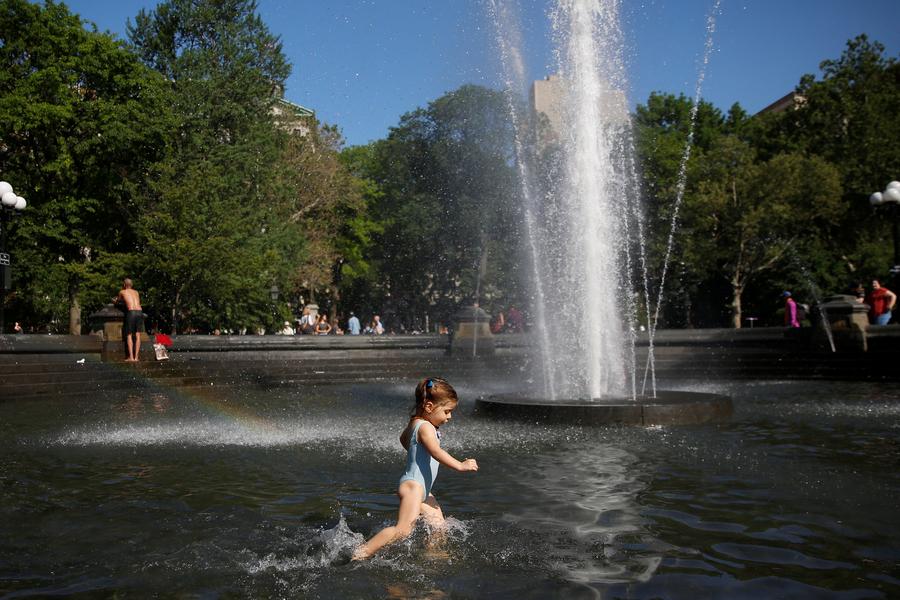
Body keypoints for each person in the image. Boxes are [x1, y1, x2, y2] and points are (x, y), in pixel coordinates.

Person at [353, 377, 478, 560]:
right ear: (429, 407)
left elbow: (404, 440)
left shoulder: (416, 422)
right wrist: (460, 465)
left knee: (438, 526)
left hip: (422, 489)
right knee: (403, 531)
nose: (449, 417)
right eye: (447, 411)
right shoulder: (426, 427)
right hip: (413, 487)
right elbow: (436, 451)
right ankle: (361, 552)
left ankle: (432, 555)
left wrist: (416, 450)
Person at [115, 278, 143, 362]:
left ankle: (131, 357)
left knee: (129, 335)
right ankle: (136, 358)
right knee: (138, 335)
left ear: (124, 285)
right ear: (132, 285)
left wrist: (115, 301)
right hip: (139, 312)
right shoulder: (136, 292)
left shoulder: (122, 292)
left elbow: (118, 301)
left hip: (131, 312)